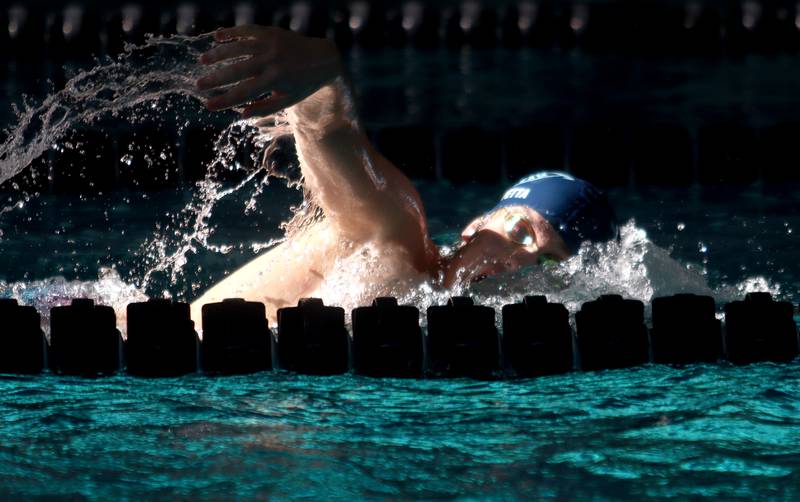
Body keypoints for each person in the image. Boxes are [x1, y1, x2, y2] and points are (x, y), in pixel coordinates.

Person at [189, 25, 618, 326]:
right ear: (473, 228)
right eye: (522, 234)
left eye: (548, 263)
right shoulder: (399, 238)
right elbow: (333, 132)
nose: (520, 263)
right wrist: (324, 73)